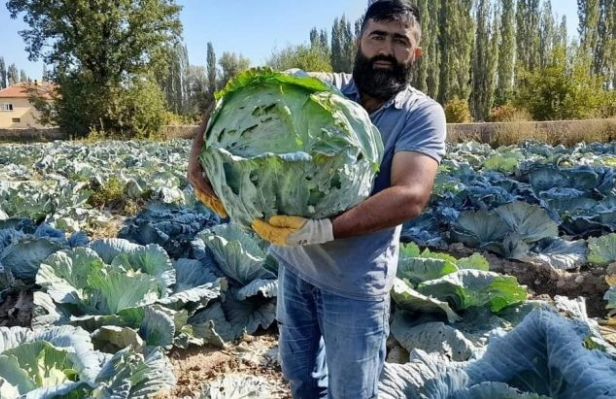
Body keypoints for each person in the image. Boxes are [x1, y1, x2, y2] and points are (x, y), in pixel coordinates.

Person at [187, 1, 446, 397]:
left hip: (357, 286)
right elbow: (236, 93)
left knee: (351, 391)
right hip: (295, 270)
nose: (386, 50)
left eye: (400, 41)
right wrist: (197, 162)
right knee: (300, 379)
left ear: (415, 53)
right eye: (377, 36)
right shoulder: (323, 87)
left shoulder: (421, 113)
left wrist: (323, 229)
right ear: (359, 41)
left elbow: (411, 196)